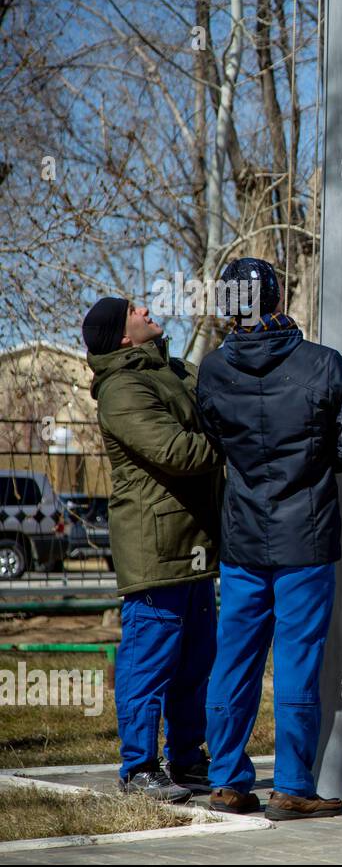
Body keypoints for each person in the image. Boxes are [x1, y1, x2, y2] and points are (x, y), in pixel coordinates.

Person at [196, 257, 342, 820]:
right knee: (298, 659)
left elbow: (213, 442)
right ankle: (293, 786)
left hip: (244, 535)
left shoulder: (213, 371)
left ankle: (226, 779)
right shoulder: (323, 365)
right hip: (307, 535)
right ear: (275, 297)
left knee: (235, 657)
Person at [83, 296, 224, 803]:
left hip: (195, 544)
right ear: (123, 336)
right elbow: (175, 451)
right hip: (154, 545)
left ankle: (186, 758)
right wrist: (236, 442)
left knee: (195, 661)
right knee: (150, 661)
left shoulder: (172, 368)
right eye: (135, 311)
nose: (147, 311)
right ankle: (139, 769)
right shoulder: (122, 388)